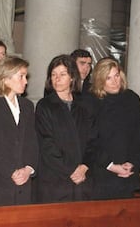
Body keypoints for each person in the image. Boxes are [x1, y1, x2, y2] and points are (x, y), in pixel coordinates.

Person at [0, 56, 39, 207]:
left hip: (23, 182)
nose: (26, 81)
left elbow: (32, 143)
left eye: (26, 76)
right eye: (21, 76)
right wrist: (12, 171)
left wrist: (28, 169)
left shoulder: (27, 106)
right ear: (5, 78)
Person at [88, 57, 140, 200]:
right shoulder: (91, 101)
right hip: (101, 176)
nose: (114, 81)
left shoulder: (132, 98)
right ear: (100, 80)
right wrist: (110, 165)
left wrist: (134, 163)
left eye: (116, 75)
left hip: (128, 176)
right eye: (108, 78)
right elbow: (89, 140)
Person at [35, 54, 95, 203]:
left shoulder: (83, 107)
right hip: (55, 180)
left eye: (62, 74)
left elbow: (93, 140)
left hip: (82, 178)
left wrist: (84, 167)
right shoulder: (45, 106)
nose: (57, 78)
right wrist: (71, 170)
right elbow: (46, 144)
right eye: (53, 75)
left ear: (72, 78)